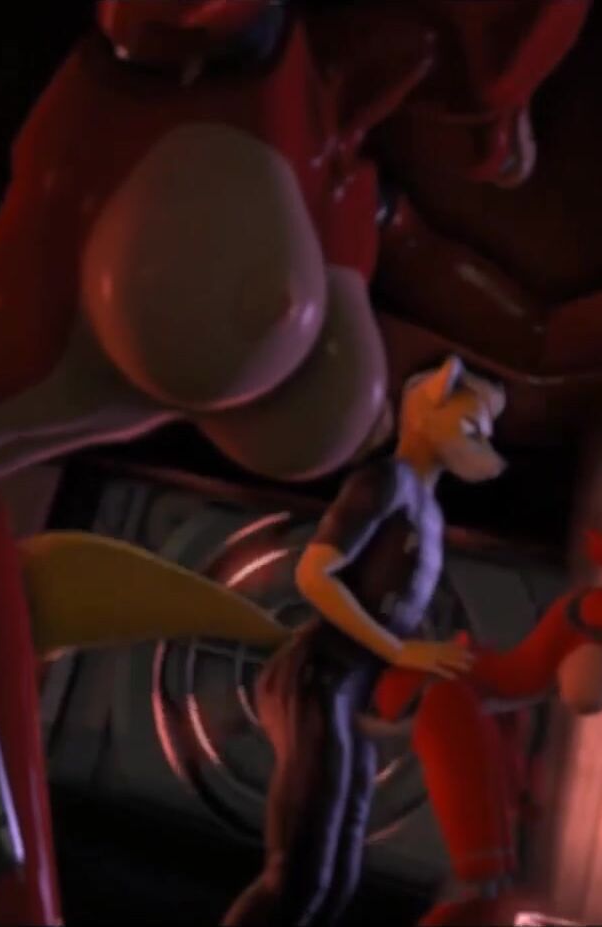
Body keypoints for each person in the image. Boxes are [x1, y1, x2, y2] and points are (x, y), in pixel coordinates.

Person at [225, 356, 507, 926]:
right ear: (426, 408)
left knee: (335, 881)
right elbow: (314, 575)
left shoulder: (427, 509)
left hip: (347, 691)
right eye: (470, 425)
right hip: (318, 678)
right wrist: (399, 652)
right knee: (298, 876)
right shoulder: (388, 482)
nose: (482, 444)